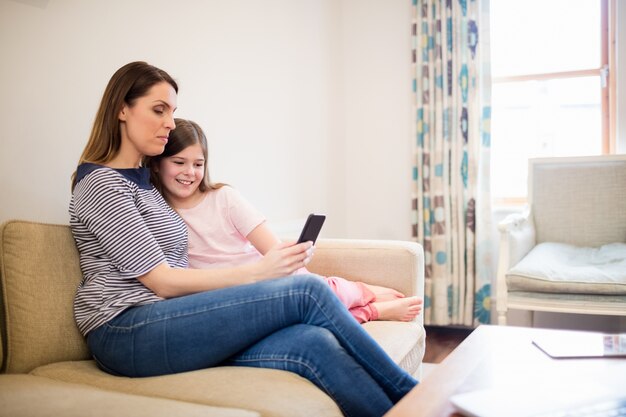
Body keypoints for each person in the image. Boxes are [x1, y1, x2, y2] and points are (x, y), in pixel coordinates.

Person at [69, 61, 418, 417]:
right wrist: (257, 273)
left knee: (314, 343)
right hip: (125, 330)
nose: (170, 123)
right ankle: (419, 400)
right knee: (306, 291)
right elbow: (162, 281)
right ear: (121, 110)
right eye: (159, 110)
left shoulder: (144, 181)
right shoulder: (101, 183)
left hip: (165, 320)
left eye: (172, 112)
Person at [147, 118, 423, 323]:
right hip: (228, 297)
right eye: (179, 162)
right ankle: (371, 310)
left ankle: (360, 294)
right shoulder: (156, 213)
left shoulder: (224, 198)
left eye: (198, 164)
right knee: (305, 321)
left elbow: (272, 250)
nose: (190, 172)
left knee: (320, 294)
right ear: (157, 164)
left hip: (268, 279)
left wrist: (296, 253)